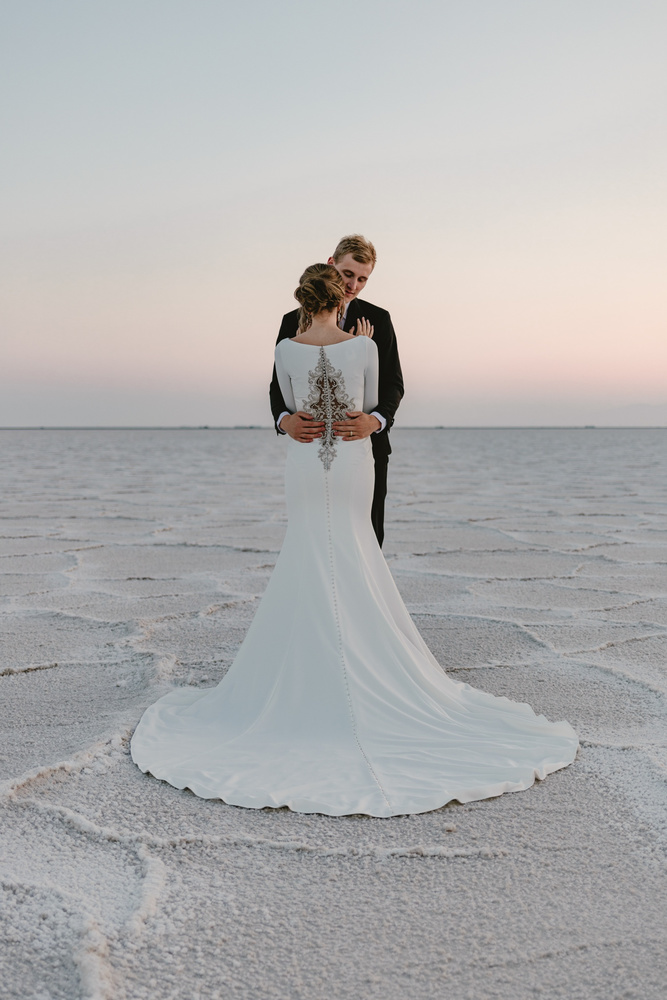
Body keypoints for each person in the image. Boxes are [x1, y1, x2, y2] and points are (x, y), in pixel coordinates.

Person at [131, 263, 578, 817]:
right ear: (338, 295)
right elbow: (361, 402)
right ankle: (363, 662)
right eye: (350, 280)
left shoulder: (285, 347)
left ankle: (311, 671)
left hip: (303, 462)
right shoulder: (363, 346)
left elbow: (302, 399)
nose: (356, 287)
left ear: (305, 297)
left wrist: (308, 420)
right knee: (349, 547)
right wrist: (329, 408)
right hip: (347, 460)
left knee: (314, 551)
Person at [270, 234, 403, 548]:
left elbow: (394, 383)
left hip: (366, 448)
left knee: (368, 539)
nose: (353, 285)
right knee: (313, 538)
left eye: (362, 279)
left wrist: (376, 421)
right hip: (312, 449)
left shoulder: (379, 320)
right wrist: (284, 420)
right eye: (347, 274)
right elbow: (278, 384)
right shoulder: (292, 321)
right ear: (331, 265)